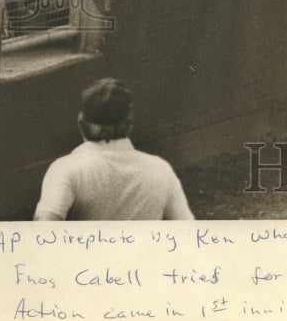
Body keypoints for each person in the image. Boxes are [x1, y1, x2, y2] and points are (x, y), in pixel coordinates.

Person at [34, 78, 193, 220]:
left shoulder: (65, 169)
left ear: (81, 122)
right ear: (129, 124)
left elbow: (44, 231)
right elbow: (188, 235)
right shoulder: (161, 169)